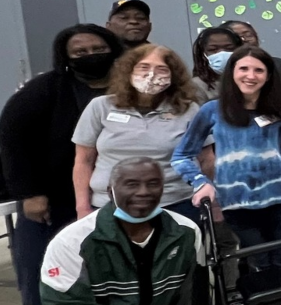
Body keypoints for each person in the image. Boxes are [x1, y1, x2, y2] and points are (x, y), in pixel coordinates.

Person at [172, 46, 281, 271]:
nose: (251, 76)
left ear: (268, 76)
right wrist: (200, 182)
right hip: (236, 200)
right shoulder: (211, 110)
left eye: (258, 70)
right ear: (232, 73)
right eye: (244, 69)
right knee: (258, 261)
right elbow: (182, 155)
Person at [1, 24, 124, 305]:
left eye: (98, 49)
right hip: (52, 199)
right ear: (65, 57)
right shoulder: (46, 88)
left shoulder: (129, 86)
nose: (90, 55)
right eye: (80, 51)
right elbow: (12, 136)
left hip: (111, 197)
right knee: (45, 270)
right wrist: (29, 193)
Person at [40, 157, 205, 305]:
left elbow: (193, 296)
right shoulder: (71, 242)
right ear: (110, 192)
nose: (143, 192)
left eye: (153, 184)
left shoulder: (186, 232)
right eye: (132, 184)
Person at [73, 45, 202, 222]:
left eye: (162, 69)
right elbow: (83, 160)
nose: (151, 74)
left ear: (173, 76)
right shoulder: (100, 106)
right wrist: (82, 208)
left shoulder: (189, 110)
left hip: (175, 203)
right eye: (144, 67)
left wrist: (208, 199)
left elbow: (206, 159)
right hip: (108, 205)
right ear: (129, 71)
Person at [222, 20, 281, 84]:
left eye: (248, 35)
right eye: (237, 37)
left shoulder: (280, 66)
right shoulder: (219, 68)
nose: (244, 40)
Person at [189, 27, 243, 100]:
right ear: (203, 54)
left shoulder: (250, 78)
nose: (221, 53)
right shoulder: (197, 85)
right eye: (213, 49)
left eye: (229, 48)